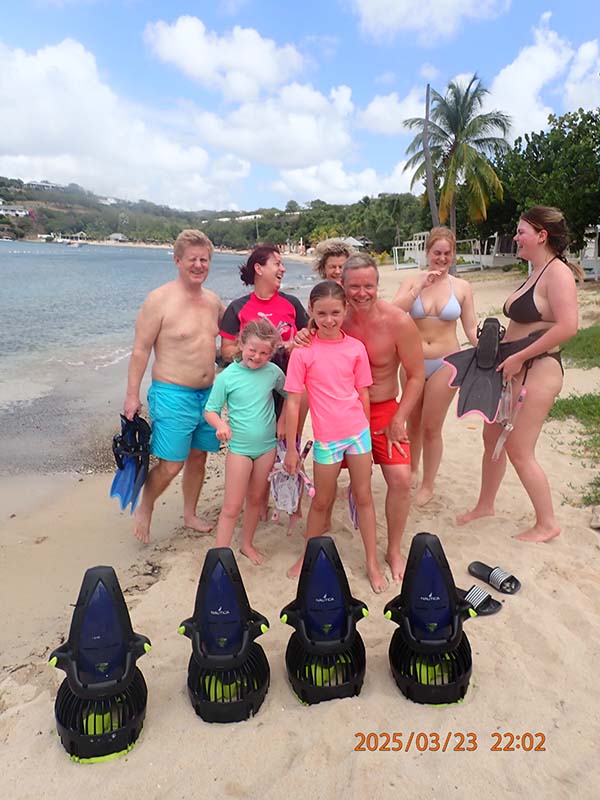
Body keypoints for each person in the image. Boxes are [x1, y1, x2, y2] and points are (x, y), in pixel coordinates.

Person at [295, 254, 425, 580]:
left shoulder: (398, 322)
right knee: (325, 490)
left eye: (369, 286)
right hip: (337, 415)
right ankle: (318, 537)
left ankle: (393, 550)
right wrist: (299, 336)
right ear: (342, 285)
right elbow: (308, 354)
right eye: (354, 286)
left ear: (378, 285)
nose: (362, 293)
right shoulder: (334, 317)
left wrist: (399, 419)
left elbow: (416, 376)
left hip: (383, 410)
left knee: (401, 479)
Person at [457, 206, 581, 542]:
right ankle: (485, 505)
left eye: (521, 232)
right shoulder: (536, 271)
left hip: (538, 370)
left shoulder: (557, 274)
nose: (515, 237)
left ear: (542, 235)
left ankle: (547, 523)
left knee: (519, 450)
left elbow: (568, 326)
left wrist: (520, 356)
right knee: (491, 438)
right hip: (512, 369)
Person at [284, 280, 387, 593]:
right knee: (321, 501)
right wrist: (292, 449)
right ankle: (307, 557)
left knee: (364, 497)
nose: (329, 320)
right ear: (311, 312)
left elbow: (363, 393)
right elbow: (293, 403)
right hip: (327, 439)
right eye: (321, 314)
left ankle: (372, 563)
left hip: (357, 435)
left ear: (345, 310)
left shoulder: (355, 348)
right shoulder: (303, 352)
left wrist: (366, 435)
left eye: (335, 313)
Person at [123, 229, 224, 544]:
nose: (198, 265)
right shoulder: (159, 300)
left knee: (198, 457)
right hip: (172, 393)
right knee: (170, 465)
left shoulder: (213, 302)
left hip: (208, 395)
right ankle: (147, 505)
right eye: (192, 259)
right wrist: (131, 395)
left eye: (204, 260)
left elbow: (238, 334)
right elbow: (140, 350)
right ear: (177, 261)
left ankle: (190, 514)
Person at [392, 227, 478, 506]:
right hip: (413, 361)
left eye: (447, 253)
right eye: (436, 253)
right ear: (427, 252)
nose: (441, 258)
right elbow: (393, 313)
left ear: (453, 254)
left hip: (446, 362)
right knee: (412, 422)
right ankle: (412, 469)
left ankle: (428, 484)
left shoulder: (461, 287)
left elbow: (471, 328)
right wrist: (419, 287)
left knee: (431, 425)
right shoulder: (411, 281)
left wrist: (487, 348)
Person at [204, 319, 286, 565]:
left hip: (267, 447)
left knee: (256, 499)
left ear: (271, 353)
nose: (257, 356)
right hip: (239, 449)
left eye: (264, 353)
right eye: (252, 350)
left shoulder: (273, 372)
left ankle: (247, 544)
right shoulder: (227, 377)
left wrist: (283, 422)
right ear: (241, 344)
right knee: (231, 506)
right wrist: (221, 425)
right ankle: (220, 554)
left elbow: (292, 396)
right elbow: (210, 410)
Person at [220, 245, 309, 370]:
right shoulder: (237, 308)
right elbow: (226, 351)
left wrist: (295, 344)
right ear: (258, 268)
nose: (283, 269)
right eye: (277, 264)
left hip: (289, 377)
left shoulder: (292, 303)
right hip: (252, 378)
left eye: (282, 264)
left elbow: (311, 336)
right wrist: (258, 350)